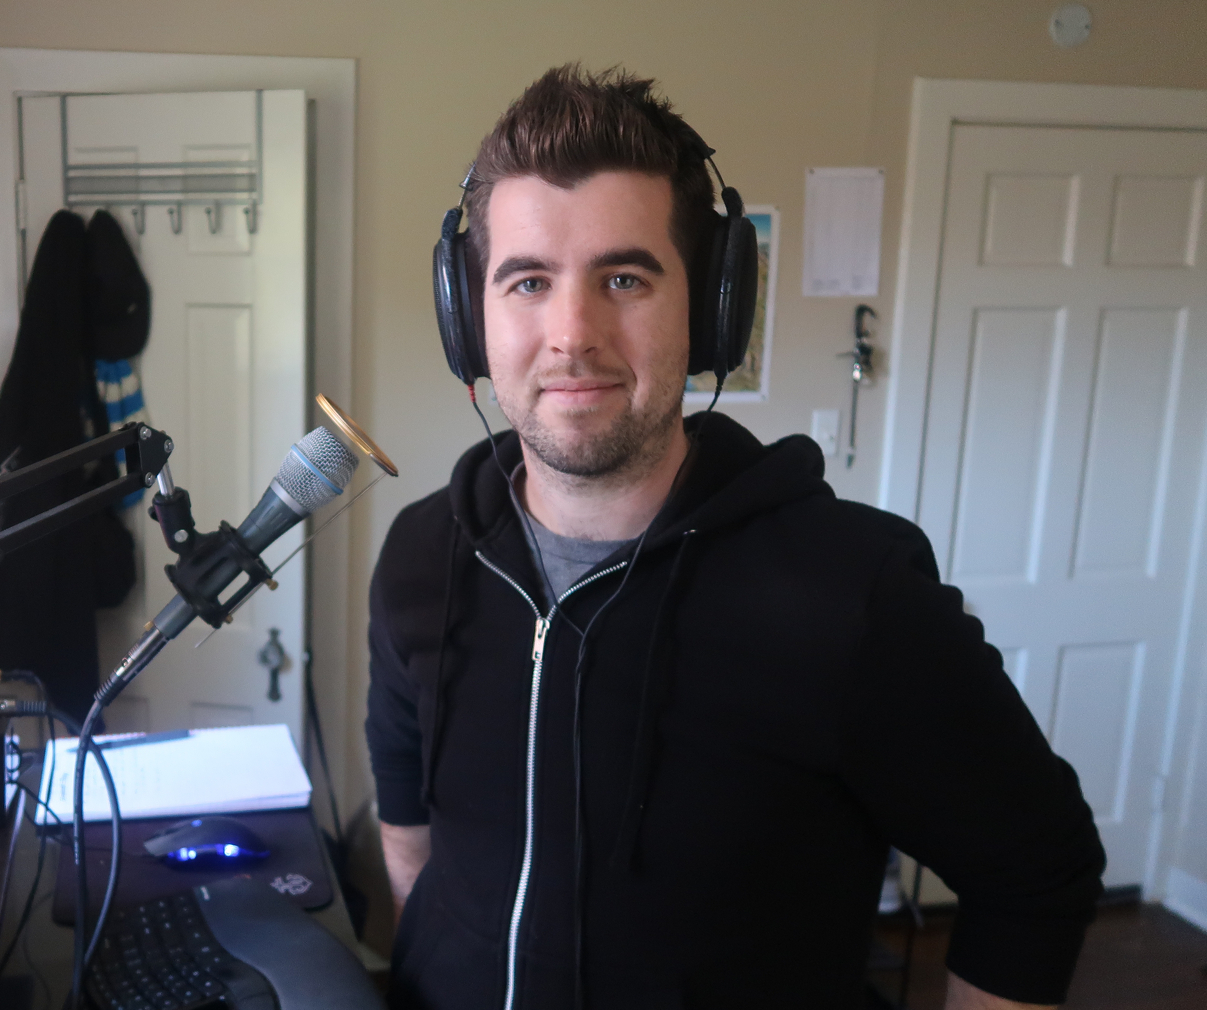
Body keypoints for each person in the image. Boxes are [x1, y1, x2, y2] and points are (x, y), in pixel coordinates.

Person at [366, 65, 1104, 1010]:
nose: (570, 333)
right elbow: (406, 820)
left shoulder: (850, 591)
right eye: (527, 281)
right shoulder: (423, 554)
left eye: (623, 276)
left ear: (713, 307)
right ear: (468, 319)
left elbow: (1035, 870)